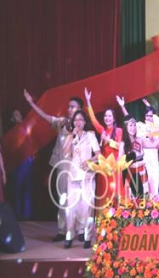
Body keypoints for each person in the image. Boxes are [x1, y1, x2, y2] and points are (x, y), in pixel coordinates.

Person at [23, 89, 83, 242]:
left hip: (76, 168)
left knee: (77, 200)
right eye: (69, 106)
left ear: (79, 109)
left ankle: (80, 230)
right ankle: (62, 231)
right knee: (62, 199)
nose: (70, 109)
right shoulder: (62, 122)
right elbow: (45, 116)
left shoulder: (82, 127)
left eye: (73, 107)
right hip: (62, 166)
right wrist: (31, 103)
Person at [62, 110, 99, 249]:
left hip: (87, 174)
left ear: (85, 122)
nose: (78, 122)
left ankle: (87, 237)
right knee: (71, 207)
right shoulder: (69, 136)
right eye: (76, 120)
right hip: (73, 175)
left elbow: (98, 154)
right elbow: (65, 153)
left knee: (87, 207)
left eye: (81, 119)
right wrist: (71, 136)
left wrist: (88, 161)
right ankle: (69, 236)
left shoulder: (90, 135)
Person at [84, 88, 123, 213]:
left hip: (114, 168)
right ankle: (103, 219)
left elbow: (120, 147)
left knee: (114, 192)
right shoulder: (102, 130)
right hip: (103, 167)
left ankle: (116, 218)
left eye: (110, 116)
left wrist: (108, 140)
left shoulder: (118, 131)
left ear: (114, 118)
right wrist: (88, 102)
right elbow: (93, 120)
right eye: (106, 116)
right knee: (103, 192)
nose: (107, 118)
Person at [4, 107, 33, 220]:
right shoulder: (10, 134)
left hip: (28, 162)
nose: (19, 116)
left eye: (19, 114)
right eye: (16, 115)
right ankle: (18, 215)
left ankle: (27, 215)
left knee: (27, 189)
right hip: (18, 163)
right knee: (18, 188)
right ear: (12, 119)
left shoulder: (26, 128)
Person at [122, 116, 148, 199]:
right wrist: (140, 163)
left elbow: (154, 145)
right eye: (130, 125)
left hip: (143, 172)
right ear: (125, 127)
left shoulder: (140, 139)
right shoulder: (123, 144)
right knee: (134, 201)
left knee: (145, 199)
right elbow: (121, 163)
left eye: (134, 125)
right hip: (132, 175)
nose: (133, 128)